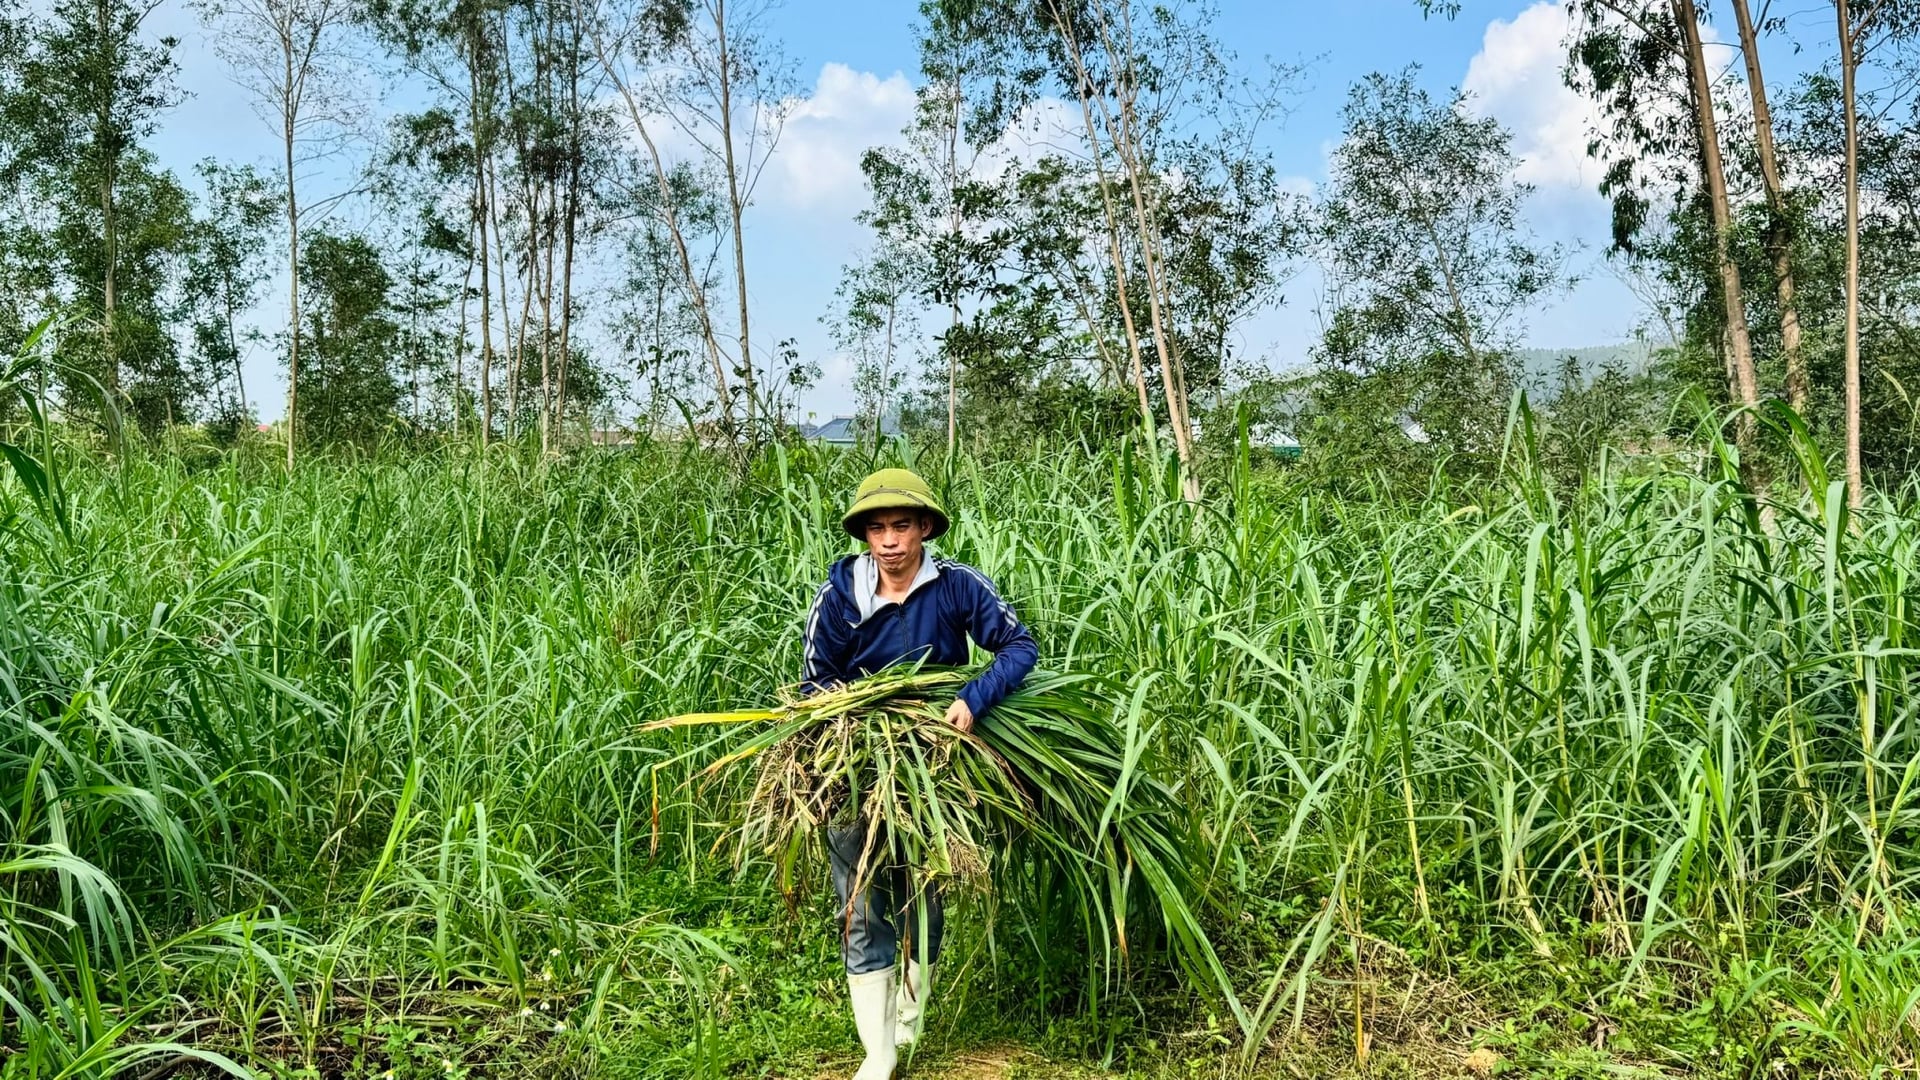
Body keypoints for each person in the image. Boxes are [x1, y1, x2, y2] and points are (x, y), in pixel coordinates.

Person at [800, 467, 1038, 1080]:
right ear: (864, 535)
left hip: (935, 766)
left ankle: (908, 1013)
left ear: (925, 527)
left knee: (924, 900)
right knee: (860, 905)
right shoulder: (840, 594)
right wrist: (859, 718)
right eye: (877, 528)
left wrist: (971, 700)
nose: (889, 541)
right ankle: (878, 1055)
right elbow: (814, 682)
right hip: (855, 767)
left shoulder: (956, 586)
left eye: (901, 525)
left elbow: (1020, 646)